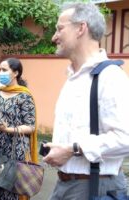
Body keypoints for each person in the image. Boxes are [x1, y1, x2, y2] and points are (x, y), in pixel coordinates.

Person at [43, 2, 129, 199]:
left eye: (59, 29)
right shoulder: (74, 77)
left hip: (93, 187)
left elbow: (126, 137)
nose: (54, 37)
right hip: (66, 184)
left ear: (81, 28)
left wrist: (74, 149)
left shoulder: (110, 77)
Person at [0, 58, 38, 200]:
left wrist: (9, 129)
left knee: (10, 190)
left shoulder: (24, 96)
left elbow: (31, 126)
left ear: (16, 73)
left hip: (15, 151)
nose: (0, 73)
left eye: (4, 70)